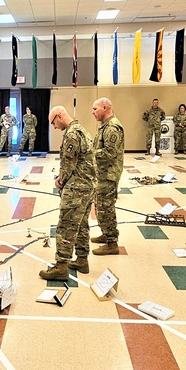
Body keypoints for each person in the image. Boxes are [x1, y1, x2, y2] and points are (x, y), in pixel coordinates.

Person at [39, 106, 94, 281]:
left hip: (76, 187)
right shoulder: (82, 130)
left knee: (66, 225)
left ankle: (61, 266)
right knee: (82, 225)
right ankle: (82, 260)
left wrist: (60, 179)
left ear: (59, 115)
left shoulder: (71, 134)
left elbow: (68, 163)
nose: (54, 126)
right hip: (87, 185)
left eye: (53, 122)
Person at [90, 98, 125, 259]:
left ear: (105, 108)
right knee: (100, 207)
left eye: (95, 109)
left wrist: (89, 154)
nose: (93, 112)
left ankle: (112, 243)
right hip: (103, 174)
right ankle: (106, 233)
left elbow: (110, 153)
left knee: (106, 208)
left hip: (109, 175)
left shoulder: (112, 127)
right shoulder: (104, 126)